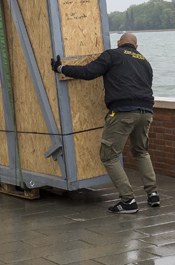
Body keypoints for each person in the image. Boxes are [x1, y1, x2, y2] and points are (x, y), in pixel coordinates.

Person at [52, 32, 159, 214]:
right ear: (136, 47)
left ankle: (128, 201)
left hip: (123, 111)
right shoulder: (145, 62)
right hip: (146, 112)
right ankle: (153, 194)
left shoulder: (112, 54)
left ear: (119, 43)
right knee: (141, 151)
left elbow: (88, 72)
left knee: (109, 156)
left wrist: (61, 68)